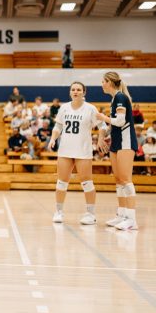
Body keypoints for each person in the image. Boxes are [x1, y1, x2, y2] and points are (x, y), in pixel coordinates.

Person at [48, 82, 106, 225]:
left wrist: (100, 139)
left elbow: (102, 125)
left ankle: (90, 214)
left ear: (84, 92)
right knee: (61, 183)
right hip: (65, 150)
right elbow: (58, 125)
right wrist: (53, 139)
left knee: (87, 183)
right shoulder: (64, 108)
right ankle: (59, 212)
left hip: (83, 150)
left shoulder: (91, 109)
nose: (75, 92)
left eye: (79, 90)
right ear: (70, 92)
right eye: (73, 89)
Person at [97, 71, 139, 230]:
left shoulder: (121, 97)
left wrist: (102, 117)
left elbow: (120, 121)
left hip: (126, 142)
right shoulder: (115, 99)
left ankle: (132, 219)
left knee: (126, 179)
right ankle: (122, 215)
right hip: (116, 142)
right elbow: (114, 124)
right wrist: (104, 132)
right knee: (119, 180)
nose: (101, 84)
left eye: (103, 81)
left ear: (109, 82)